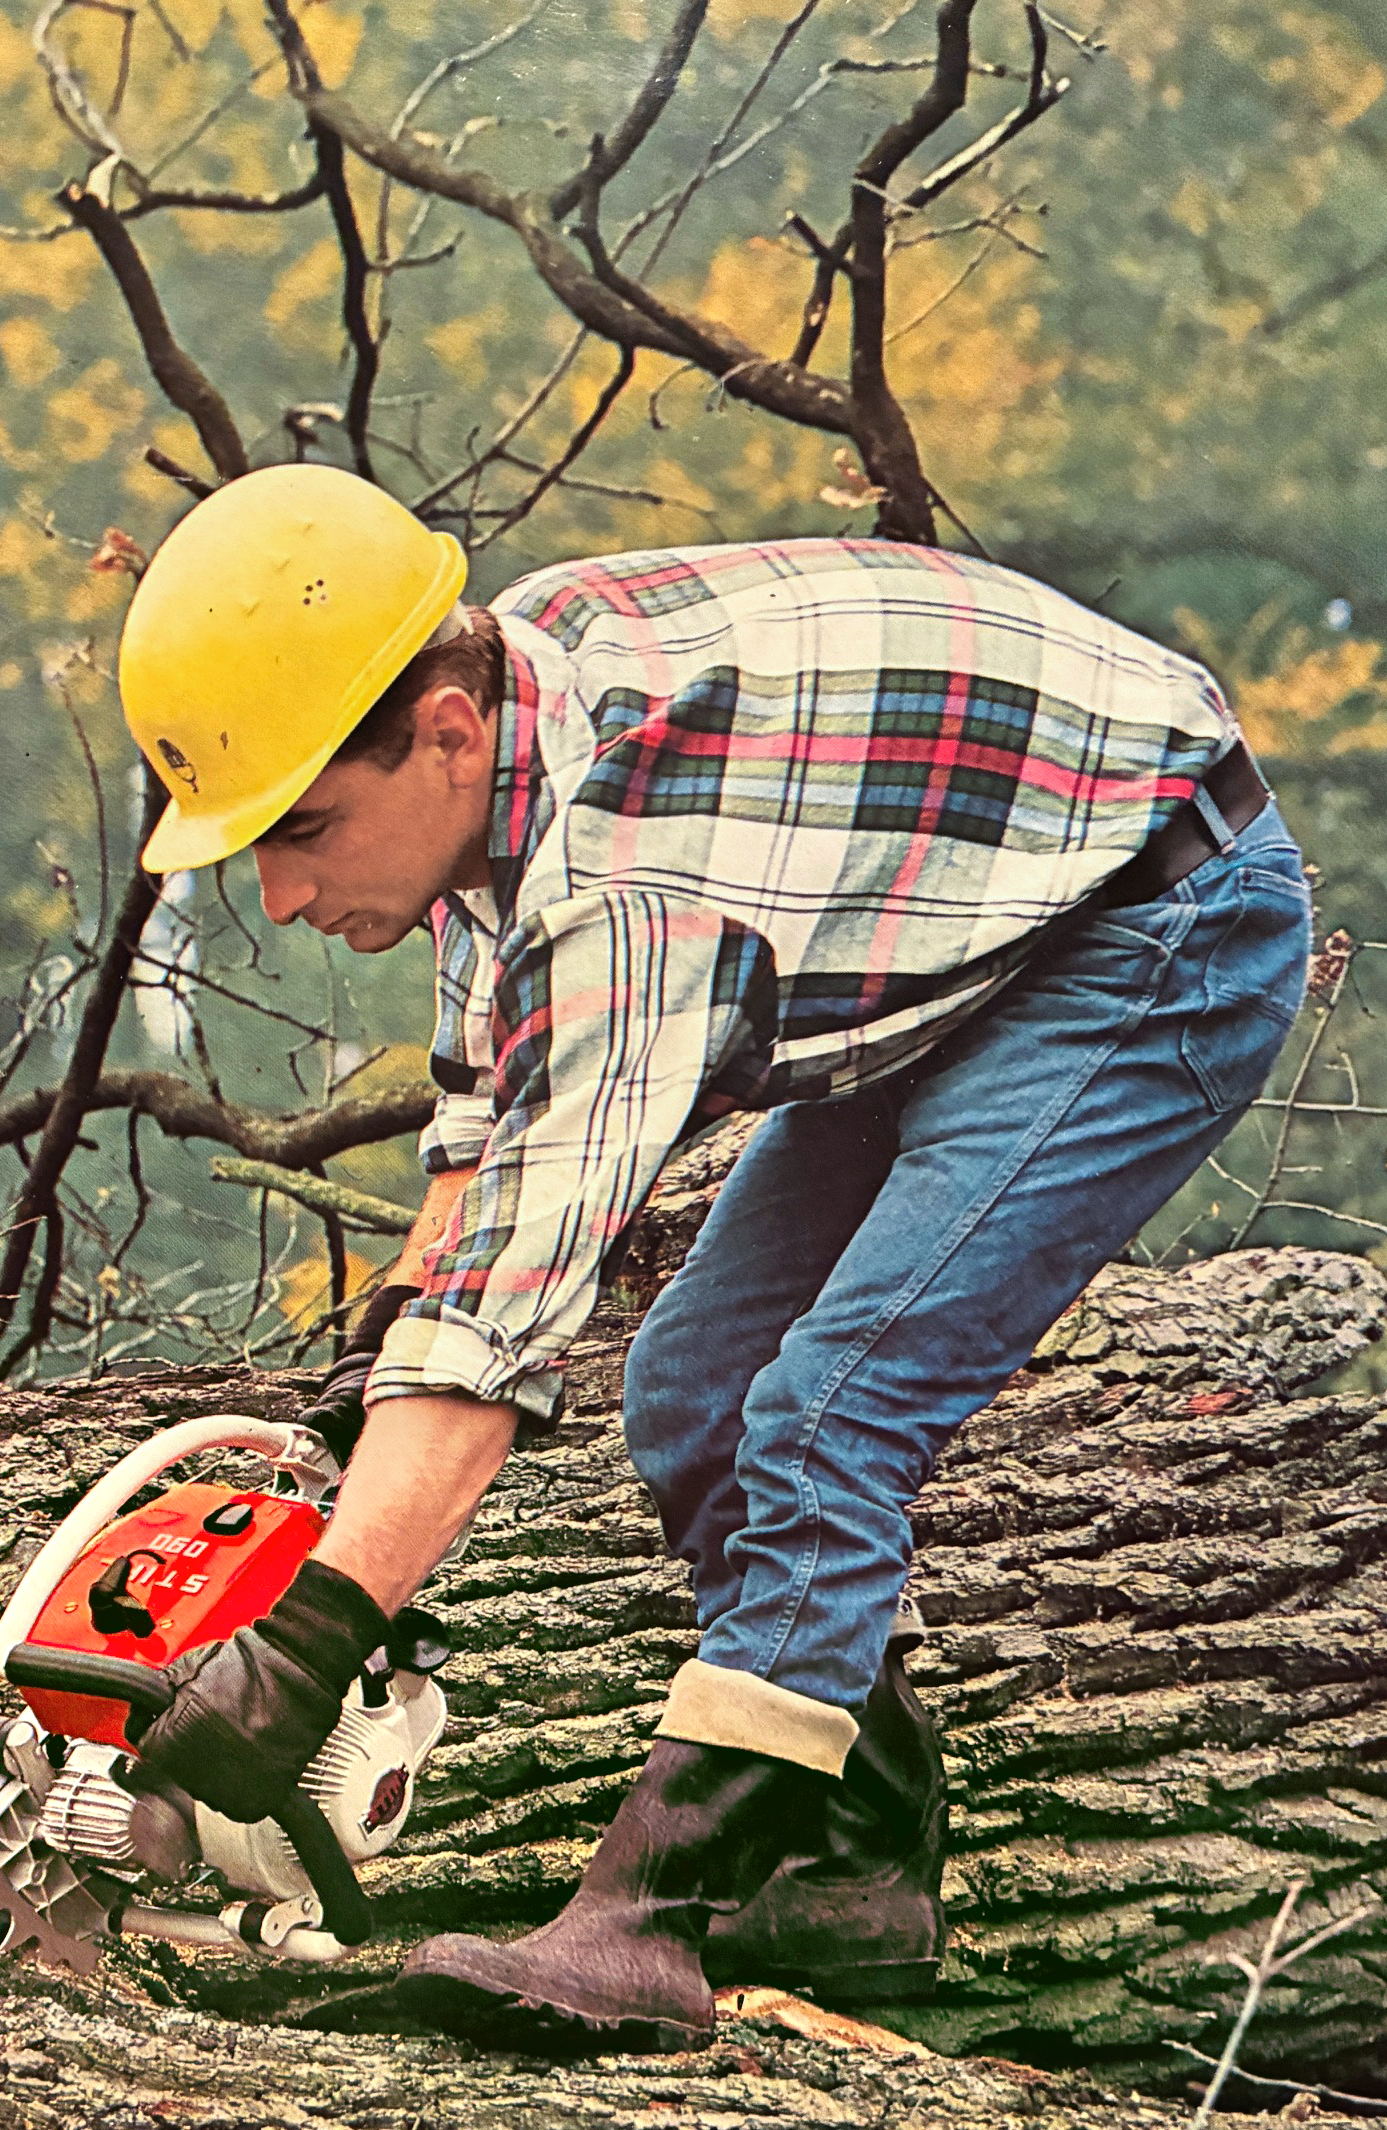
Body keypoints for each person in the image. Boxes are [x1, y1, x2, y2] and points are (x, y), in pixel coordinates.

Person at [112, 462, 1310, 2032]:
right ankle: (857, 1873)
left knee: (826, 1414)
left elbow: (514, 1314)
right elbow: (490, 1119)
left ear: (448, 737)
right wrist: (373, 1372)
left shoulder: (624, 885)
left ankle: (650, 1918)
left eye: (308, 829)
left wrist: (313, 1639)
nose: (278, 891)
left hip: (1153, 928)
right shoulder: (499, 692)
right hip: (952, 934)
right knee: (689, 1391)